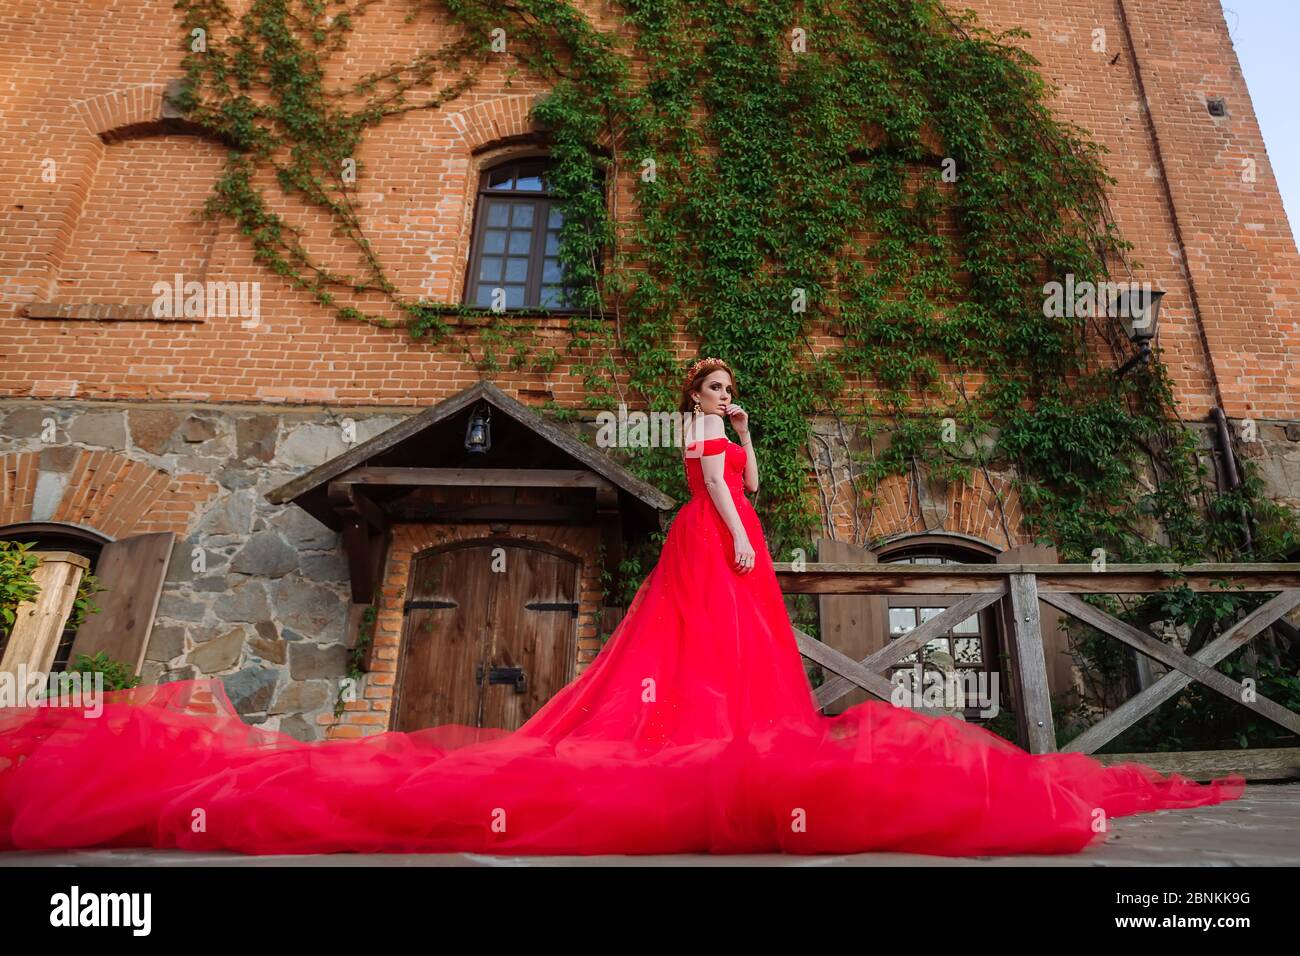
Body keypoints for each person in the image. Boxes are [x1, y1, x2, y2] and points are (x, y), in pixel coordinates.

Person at [0, 358, 1245, 857]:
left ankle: (743, 752)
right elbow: (710, 491)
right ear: (689, 386)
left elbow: (737, 474)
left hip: (741, 532)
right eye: (709, 378)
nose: (720, 387)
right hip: (720, 542)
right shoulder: (700, 437)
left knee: (745, 665)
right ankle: (704, 759)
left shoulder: (735, 429)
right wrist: (736, 515)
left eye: (725, 380)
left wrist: (749, 460)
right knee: (702, 648)